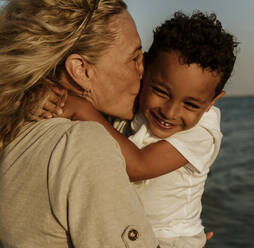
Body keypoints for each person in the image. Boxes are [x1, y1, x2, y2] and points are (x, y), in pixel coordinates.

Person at [45, 11, 238, 248]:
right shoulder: (133, 106)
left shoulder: (202, 132)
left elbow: (138, 166)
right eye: (161, 92)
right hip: (128, 229)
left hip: (171, 240)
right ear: (143, 68)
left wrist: (82, 110)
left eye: (190, 104)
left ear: (212, 102)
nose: (169, 112)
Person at [0, 0, 160, 247]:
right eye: (134, 58)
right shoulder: (83, 145)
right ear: (81, 70)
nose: (144, 71)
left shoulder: (15, 132)